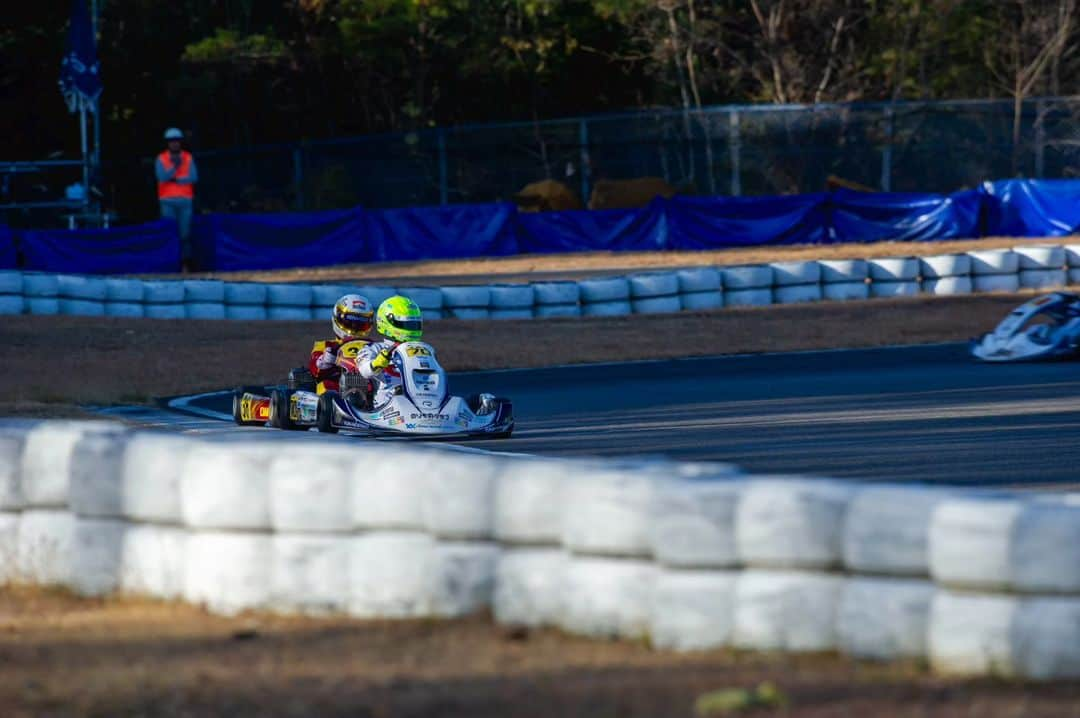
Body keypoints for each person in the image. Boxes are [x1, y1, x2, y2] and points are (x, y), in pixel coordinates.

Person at [356, 295, 424, 408]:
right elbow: (364, 371)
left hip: (419, 398)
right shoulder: (374, 348)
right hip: (387, 403)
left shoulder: (422, 350)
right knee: (399, 393)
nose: (411, 329)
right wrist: (377, 363)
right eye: (406, 325)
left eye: (414, 324)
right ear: (387, 322)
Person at [308, 294, 375, 393]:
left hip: (371, 387)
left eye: (361, 324)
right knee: (325, 386)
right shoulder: (326, 346)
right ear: (336, 318)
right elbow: (314, 370)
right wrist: (325, 361)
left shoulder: (374, 347)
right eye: (350, 323)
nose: (354, 328)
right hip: (337, 388)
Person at [155, 128, 198, 272]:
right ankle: (171, 262)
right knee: (170, 231)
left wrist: (175, 179)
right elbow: (162, 177)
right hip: (167, 200)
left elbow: (193, 177)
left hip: (185, 200)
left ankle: (186, 263)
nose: (174, 144)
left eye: (177, 141)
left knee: (185, 233)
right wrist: (176, 167)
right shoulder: (161, 158)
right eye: (171, 142)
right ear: (168, 143)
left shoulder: (188, 157)